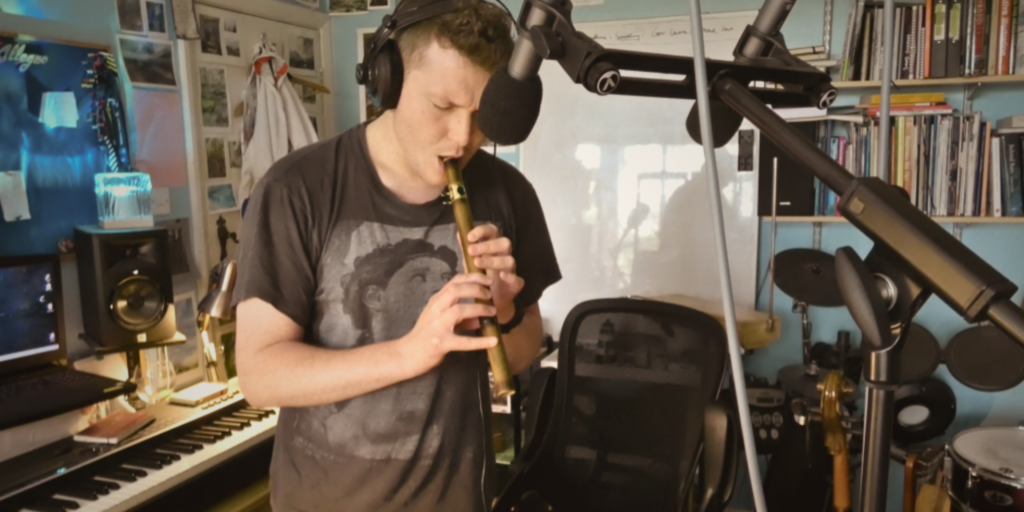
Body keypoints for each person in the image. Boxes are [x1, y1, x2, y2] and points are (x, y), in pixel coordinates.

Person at [231, 0, 562, 510]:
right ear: (386, 82)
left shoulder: (508, 193)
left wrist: (505, 313)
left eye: (479, 116)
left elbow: (521, 353)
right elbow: (260, 374)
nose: (462, 138)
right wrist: (411, 351)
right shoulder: (296, 189)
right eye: (443, 107)